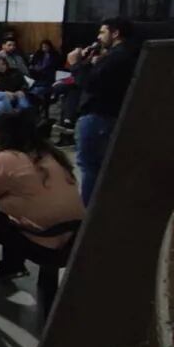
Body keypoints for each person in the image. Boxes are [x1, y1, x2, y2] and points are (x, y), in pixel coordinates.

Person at [0, 110, 84, 274]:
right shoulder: (52, 154)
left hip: (42, 240)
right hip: (73, 239)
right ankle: (12, 266)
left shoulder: (5, 158)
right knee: (12, 204)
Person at [68, 17, 138, 206]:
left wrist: (75, 64)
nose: (98, 37)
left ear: (115, 33)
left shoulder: (117, 57)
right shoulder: (124, 55)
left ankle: (87, 212)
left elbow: (89, 84)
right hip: (108, 116)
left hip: (98, 116)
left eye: (102, 32)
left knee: (90, 167)